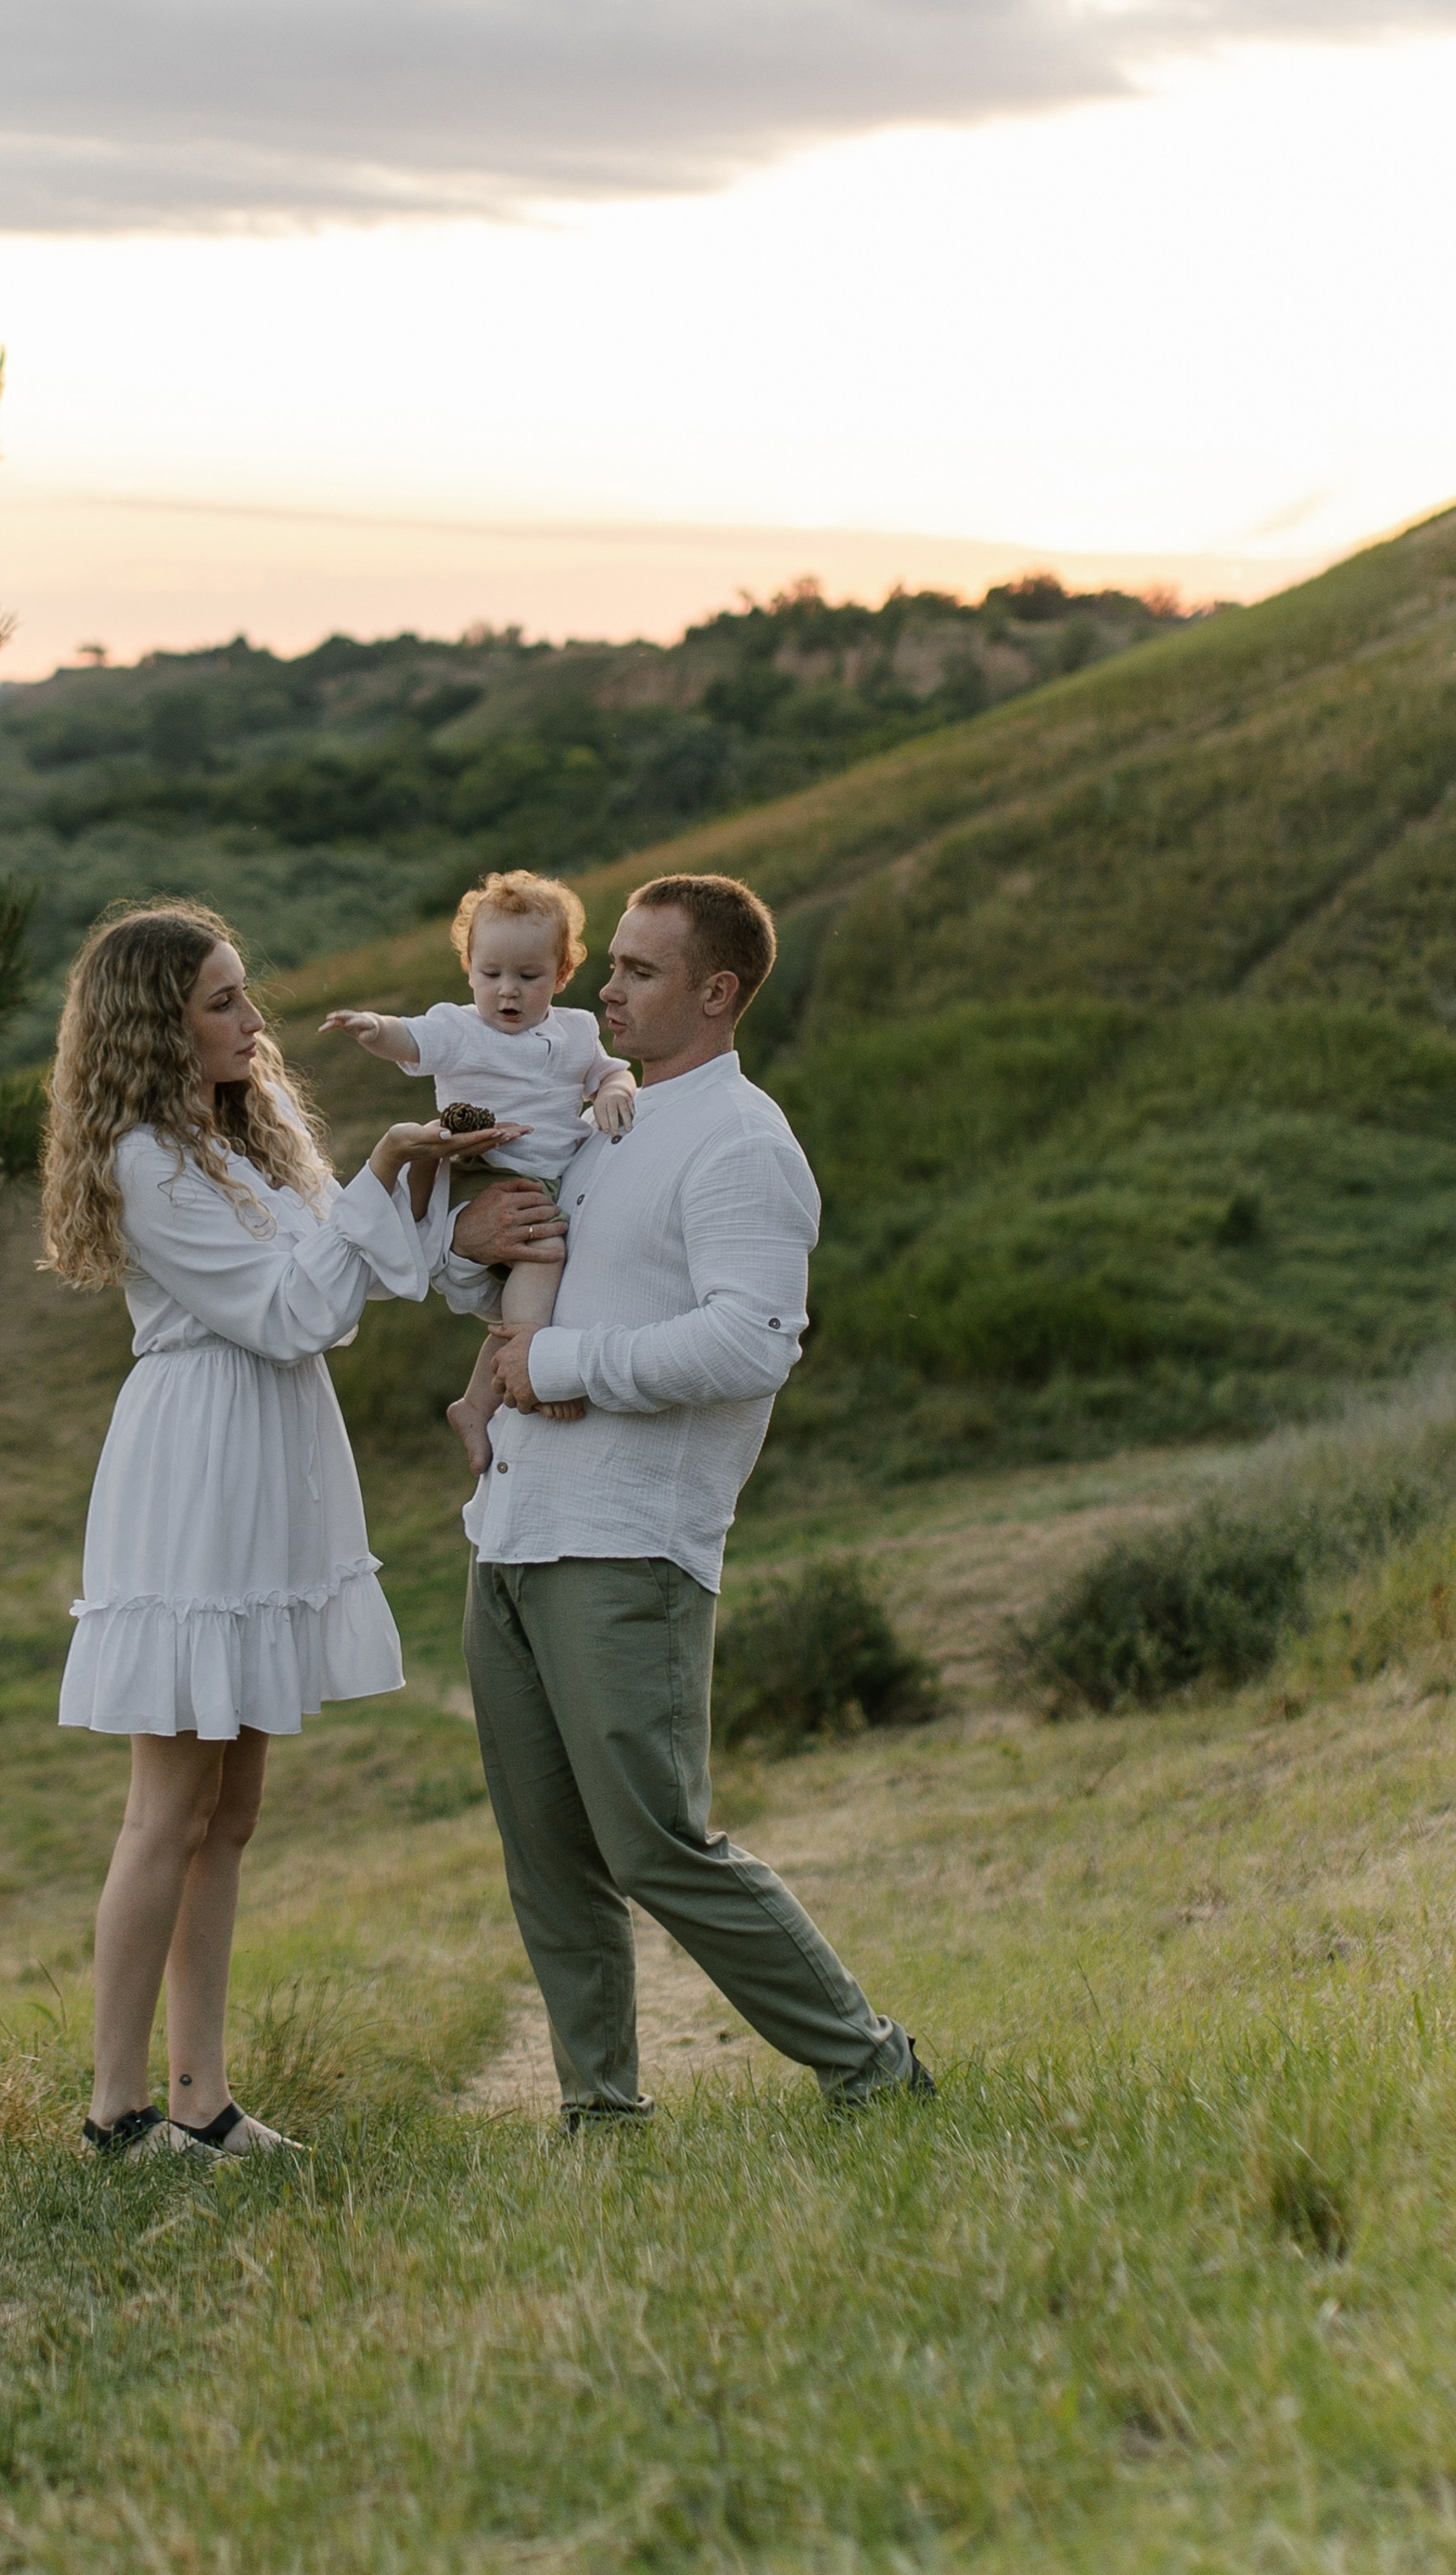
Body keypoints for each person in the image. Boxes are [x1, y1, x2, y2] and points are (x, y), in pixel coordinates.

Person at [440, 871, 934, 2121]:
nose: (602, 987)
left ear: (717, 993)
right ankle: (601, 2116)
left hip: (628, 1544)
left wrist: (559, 1364)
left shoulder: (744, 1143)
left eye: (639, 972)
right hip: (514, 1530)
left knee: (656, 1843)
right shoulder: (601, 1121)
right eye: (610, 965)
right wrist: (474, 1254)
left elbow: (754, 1341)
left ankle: (872, 2067)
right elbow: (534, 1286)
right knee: (549, 1860)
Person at [42, 901, 514, 2160]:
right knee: (167, 1808)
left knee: (232, 1810)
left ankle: (202, 2101)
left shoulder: (242, 1142)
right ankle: (117, 2108)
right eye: (223, 1003)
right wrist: (379, 1179)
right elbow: (286, 1312)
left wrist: (412, 1176)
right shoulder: (145, 1158)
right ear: (157, 1025)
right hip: (197, 1463)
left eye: (244, 996)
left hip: (271, 1451)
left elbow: (346, 1299)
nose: (255, 1023)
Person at [323, 868, 635, 1477]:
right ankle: (531, 1370)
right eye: (490, 975)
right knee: (541, 1253)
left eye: (528, 977)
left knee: (539, 1282)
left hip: (552, 1177)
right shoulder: (460, 1028)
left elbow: (608, 1071)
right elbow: (409, 1038)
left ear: (562, 975)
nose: (507, 993)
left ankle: (474, 1403)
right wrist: (372, 1027)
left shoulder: (576, 1030)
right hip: (481, 1167)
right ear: (469, 968)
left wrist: (614, 1089)